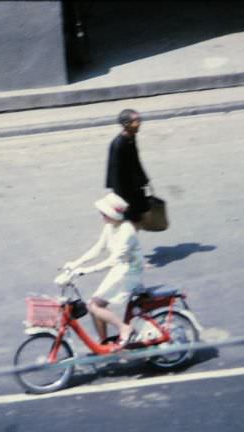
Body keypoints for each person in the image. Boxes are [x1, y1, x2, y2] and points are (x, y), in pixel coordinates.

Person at [61, 193, 143, 345]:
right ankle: (104, 343)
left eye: (104, 213)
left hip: (130, 271)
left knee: (94, 306)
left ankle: (124, 328)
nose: (101, 216)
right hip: (120, 268)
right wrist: (76, 263)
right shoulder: (110, 226)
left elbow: (113, 260)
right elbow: (98, 248)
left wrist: (87, 270)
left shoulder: (127, 231)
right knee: (94, 305)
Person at [106, 109, 150, 222]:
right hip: (125, 191)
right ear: (126, 124)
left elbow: (135, 161)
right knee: (129, 220)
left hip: (134, 187)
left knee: (138, 217)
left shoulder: (131, 137)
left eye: (139, 120)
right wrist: (120, 198)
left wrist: (143, 179)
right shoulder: (118, 144)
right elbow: (114, 172)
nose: (139, 123)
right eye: (136, 121)